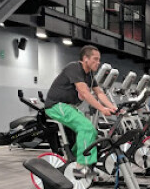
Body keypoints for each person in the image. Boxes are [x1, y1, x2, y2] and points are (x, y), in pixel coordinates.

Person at [44, 45, 117, 179]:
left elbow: (99, 93)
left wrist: (113, 108)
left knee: (92, 131)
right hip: (56, 105)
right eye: (95, 59)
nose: (98, 62)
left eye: (99, 59)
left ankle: (72, 160)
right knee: (86, 127)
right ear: (85, 58)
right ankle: (80, 167)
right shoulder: (74, 68)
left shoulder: (90, 75)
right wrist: (102, 109)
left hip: (70, 107)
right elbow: (84, 92)